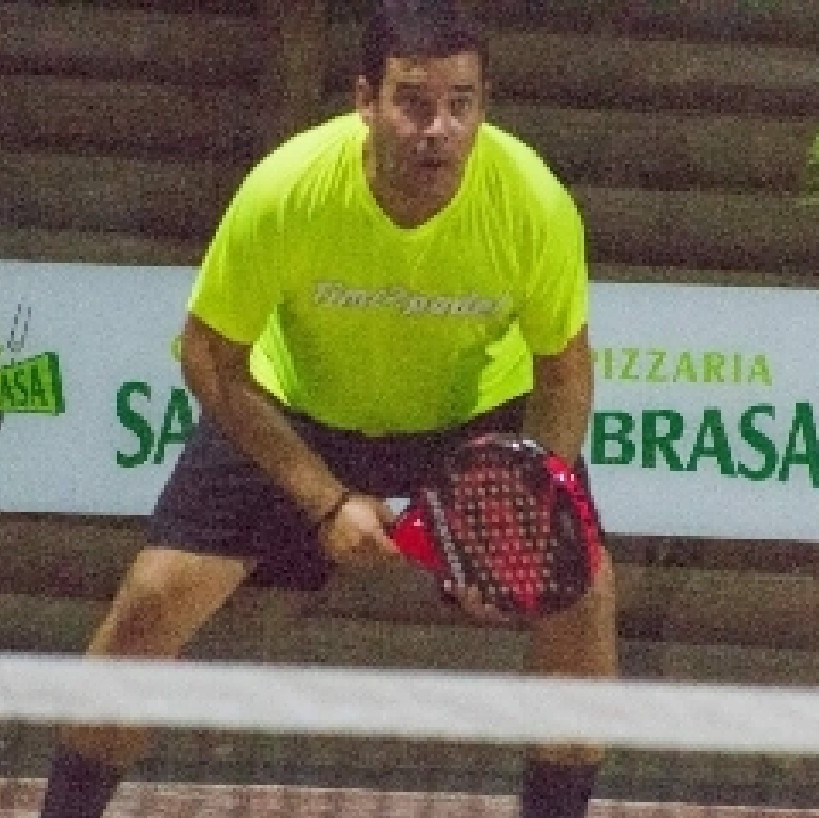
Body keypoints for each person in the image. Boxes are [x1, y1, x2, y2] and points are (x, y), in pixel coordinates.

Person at [38, 1, 616, 816]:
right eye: (413, 102)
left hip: (470, 415)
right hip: (298, 408)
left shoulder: (531, 202)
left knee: (584, 603)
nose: (439, 129)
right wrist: (323, 499)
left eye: (461, 103)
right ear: (364, 100)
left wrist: (523, 517)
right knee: (152, 601)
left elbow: (562, 373)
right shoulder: (289, 189)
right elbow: (209, 356)